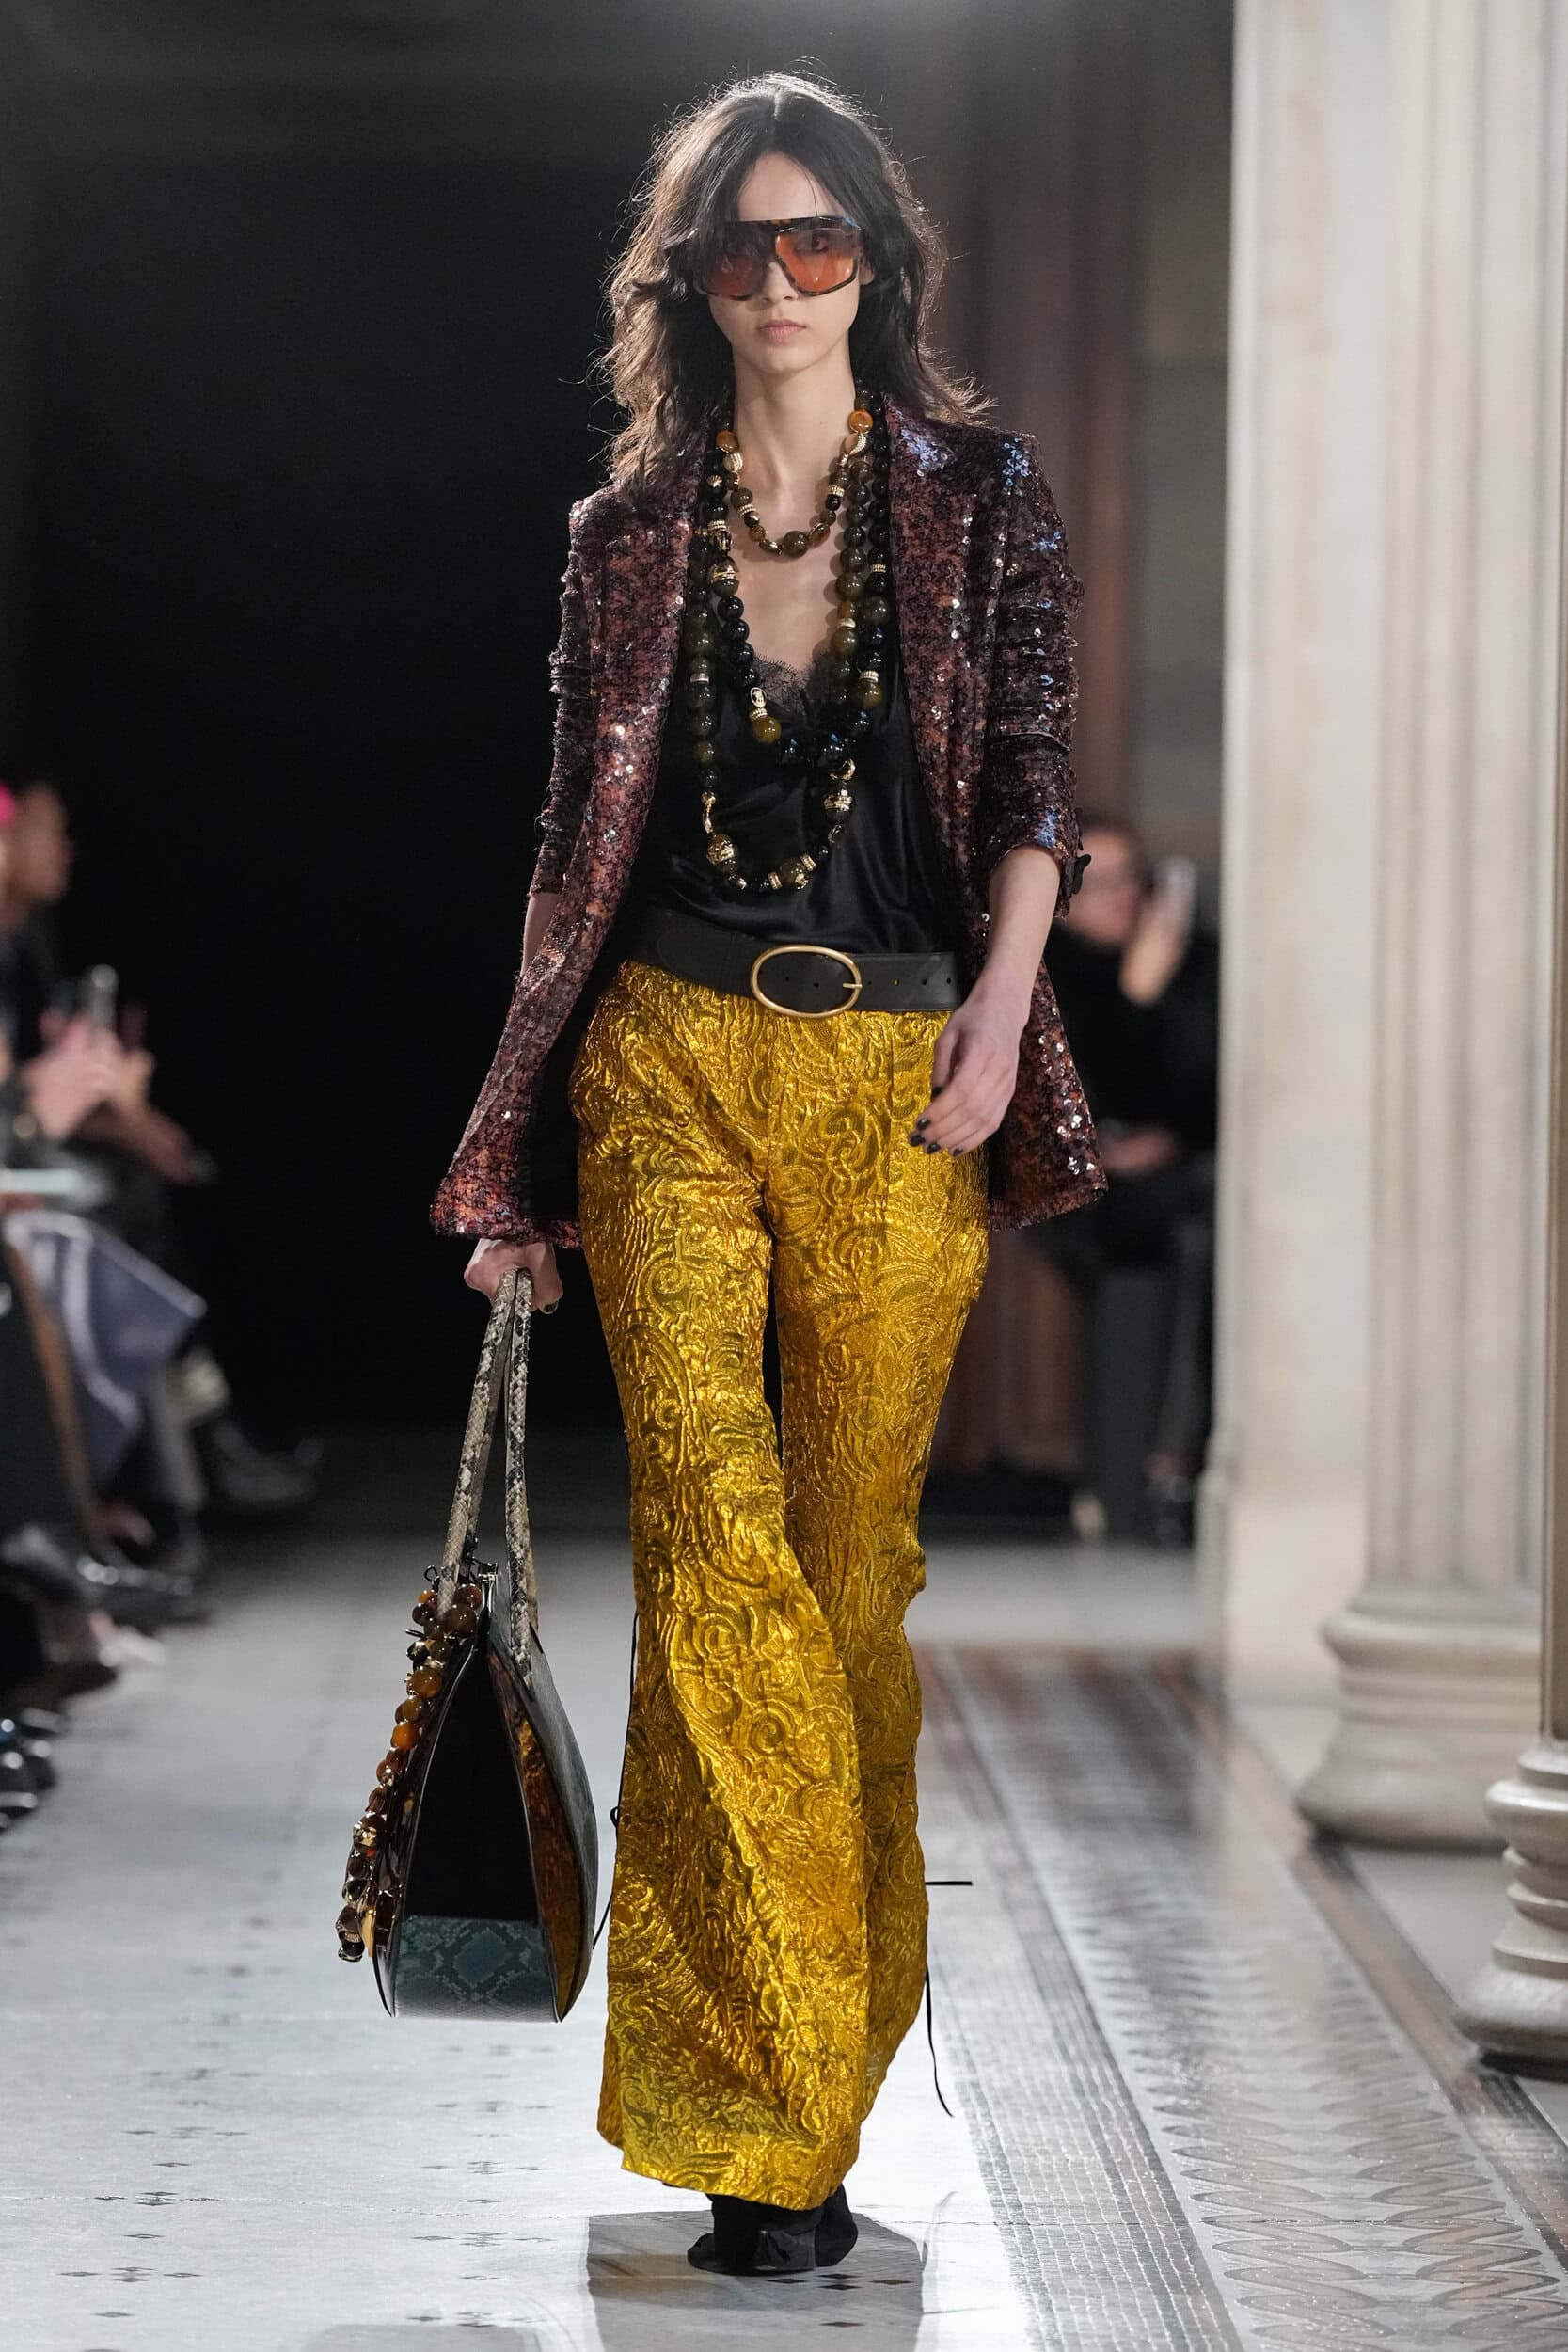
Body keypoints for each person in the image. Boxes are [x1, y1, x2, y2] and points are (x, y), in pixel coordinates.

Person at [433, 73, 1103, 2279]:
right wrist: (519, 1144)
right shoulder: (624, 536)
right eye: (746, 245)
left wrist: (1000, 1015)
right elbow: (569, 857)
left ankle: (808, 2072)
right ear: (695, 280)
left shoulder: (980, 500)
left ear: (874, 266)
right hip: (666, 1061)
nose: (786, 279)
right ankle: (765, 2123)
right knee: (710, 1555)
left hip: (903, 1074)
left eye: (821, 241)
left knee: (846, 1579)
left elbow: (1030, 788)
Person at [1037, 811, 1219, 1545]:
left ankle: (1166, 1467)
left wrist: (1170, 1138)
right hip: (1072, 1186)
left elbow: (1209, 1090)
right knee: (1149, 1235)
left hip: (1172, 1177)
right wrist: (1132, 1000)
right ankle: (1142, 1474)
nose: (1119, 897)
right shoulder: (1039, 970)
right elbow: (1054, 1103)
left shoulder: (1193, 961)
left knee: (1197, 1228)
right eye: (1096, 881)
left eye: (1129, 879)